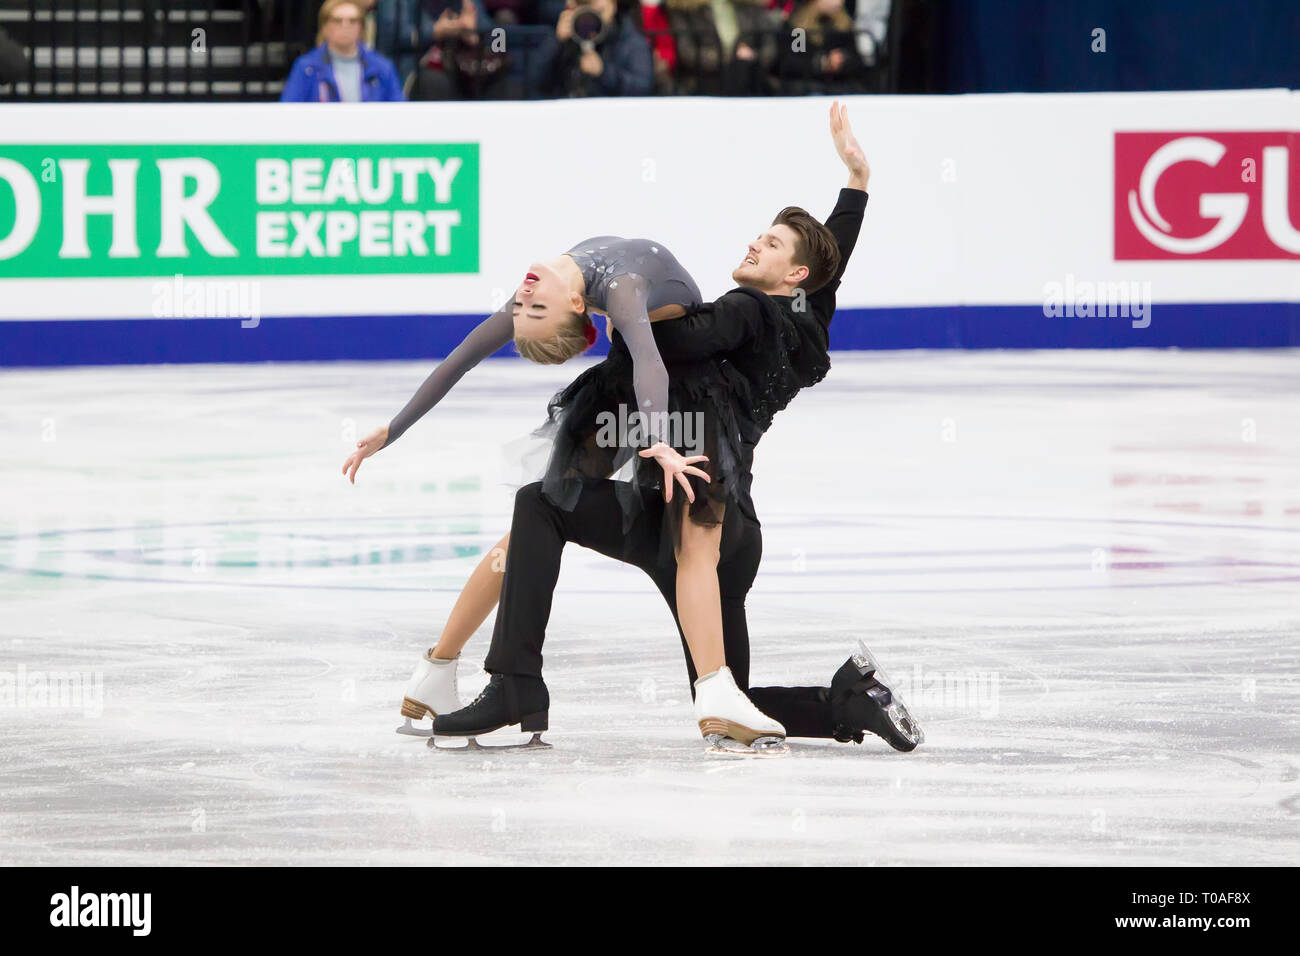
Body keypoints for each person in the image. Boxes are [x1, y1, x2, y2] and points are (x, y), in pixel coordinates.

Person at [412, 104, 924, 753]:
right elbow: (827, 267)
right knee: (727, 696)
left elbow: (671, 334)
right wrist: (857, 183)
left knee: (544, 505)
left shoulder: (743, 312)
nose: (752, 244)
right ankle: (845, 703)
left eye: (768, 245)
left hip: (695, 507)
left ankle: (493, 679)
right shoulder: (805, 323)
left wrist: (598, 291)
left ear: (790, 275)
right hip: (722, 521)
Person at [345, 230, 784, 741]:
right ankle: (437, 670)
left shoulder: (601, 291)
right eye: (531, 308)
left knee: (689, 535)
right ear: (579, 305)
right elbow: (461, 360)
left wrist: (661, 440)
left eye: (528, 306)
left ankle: (716, 688)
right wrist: (392, 430)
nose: (525, 297)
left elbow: (650, 360)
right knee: (535, 519)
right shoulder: (601, 290)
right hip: (638, 386)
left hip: (681, 388)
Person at [280, 0, 405, 103]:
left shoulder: (382, 67)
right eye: (338, 20)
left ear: (361, 27)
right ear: (325, 27)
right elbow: (289, 111)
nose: (346, 26)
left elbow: (399, 113)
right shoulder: (306, 68)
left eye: (353, 20)